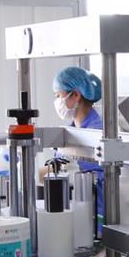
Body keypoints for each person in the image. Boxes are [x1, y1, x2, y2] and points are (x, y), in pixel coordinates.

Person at [52, 66, 105, 220]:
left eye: (59, 95)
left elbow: (75, 169)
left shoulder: (97, 132)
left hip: (95, 214)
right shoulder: (71, 130)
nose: (57, 102)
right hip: (76, 209)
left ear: (75, 95)